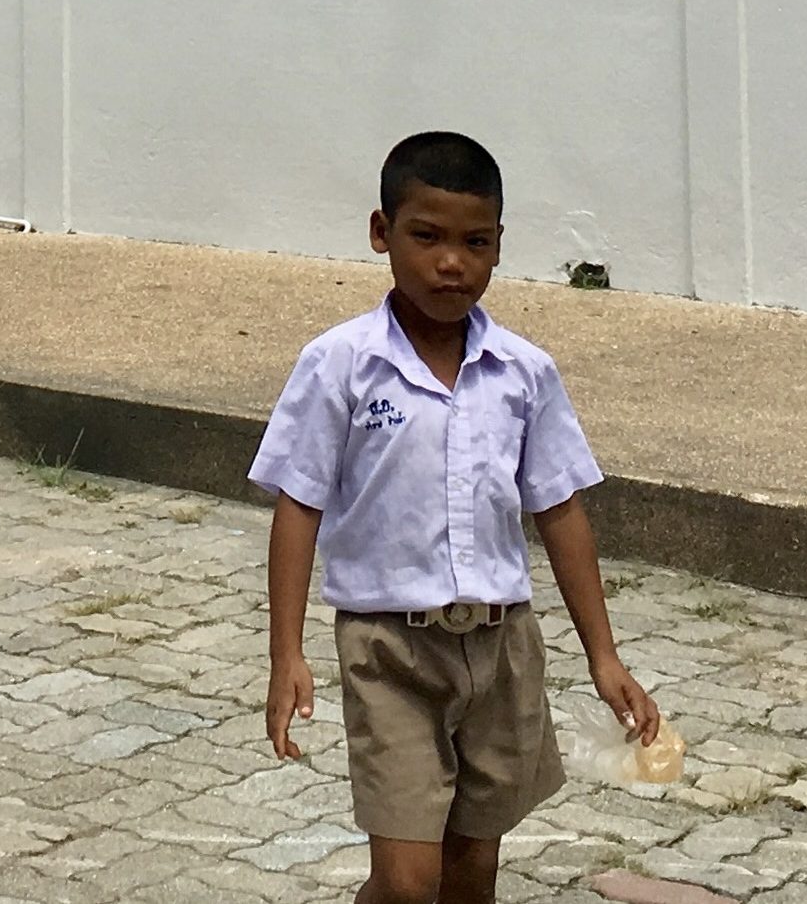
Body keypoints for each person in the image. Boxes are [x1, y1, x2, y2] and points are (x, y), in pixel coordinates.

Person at [254, 131, 661, 904]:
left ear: (499, 245)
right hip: (389, 652)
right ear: (381, 233)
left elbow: (559, 509)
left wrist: (603, 656)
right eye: (426, 237)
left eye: (475, 243)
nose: (451, 263)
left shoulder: (523, 373)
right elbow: (298, 503)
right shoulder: (340, 363)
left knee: (470, 868)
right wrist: (286, 654)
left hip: (502, 650)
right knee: (408, 882)